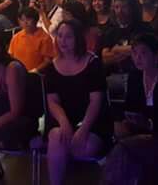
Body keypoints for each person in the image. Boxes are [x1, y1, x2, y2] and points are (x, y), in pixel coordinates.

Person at [103, 33, 158, 184]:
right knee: (119, 138)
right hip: (139, 134)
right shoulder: (135, 77)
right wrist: (126, 121)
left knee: (123, 150)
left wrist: (150, 124)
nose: (138, 58)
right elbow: (129, 108)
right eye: (134, 53)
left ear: (156, 55)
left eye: (143, 53)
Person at [44, 20, 112, 185]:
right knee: (57, 138)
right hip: (63, 117)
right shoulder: (51, 67)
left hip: (91, 120)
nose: (63, 41)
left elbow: (95, 101)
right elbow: (52, 101)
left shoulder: (93, 63)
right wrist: (63, 122)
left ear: (78, 39)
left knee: (83, 148)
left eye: (68, 37)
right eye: (60, 36)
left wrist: (83, 130)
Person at [98, 0, 152, 73]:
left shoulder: (143, 28)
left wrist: (117, 49)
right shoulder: (111, 31)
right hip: (115, 74)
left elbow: (144, 51)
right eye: (117, 7)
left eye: (124, 7)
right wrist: (129, 52)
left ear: (132, 8)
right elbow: (105, 58)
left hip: (139, 73)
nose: (120, 11)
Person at [10, 8, 55, 73]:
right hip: (17, 74)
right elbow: (11, 57)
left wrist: (35, 70)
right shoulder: (16, 37)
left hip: (36, 75)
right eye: (22, 20)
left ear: (35, 20)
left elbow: (48, 61)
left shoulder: (45, 38)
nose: (25, 22)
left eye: (28, 19)